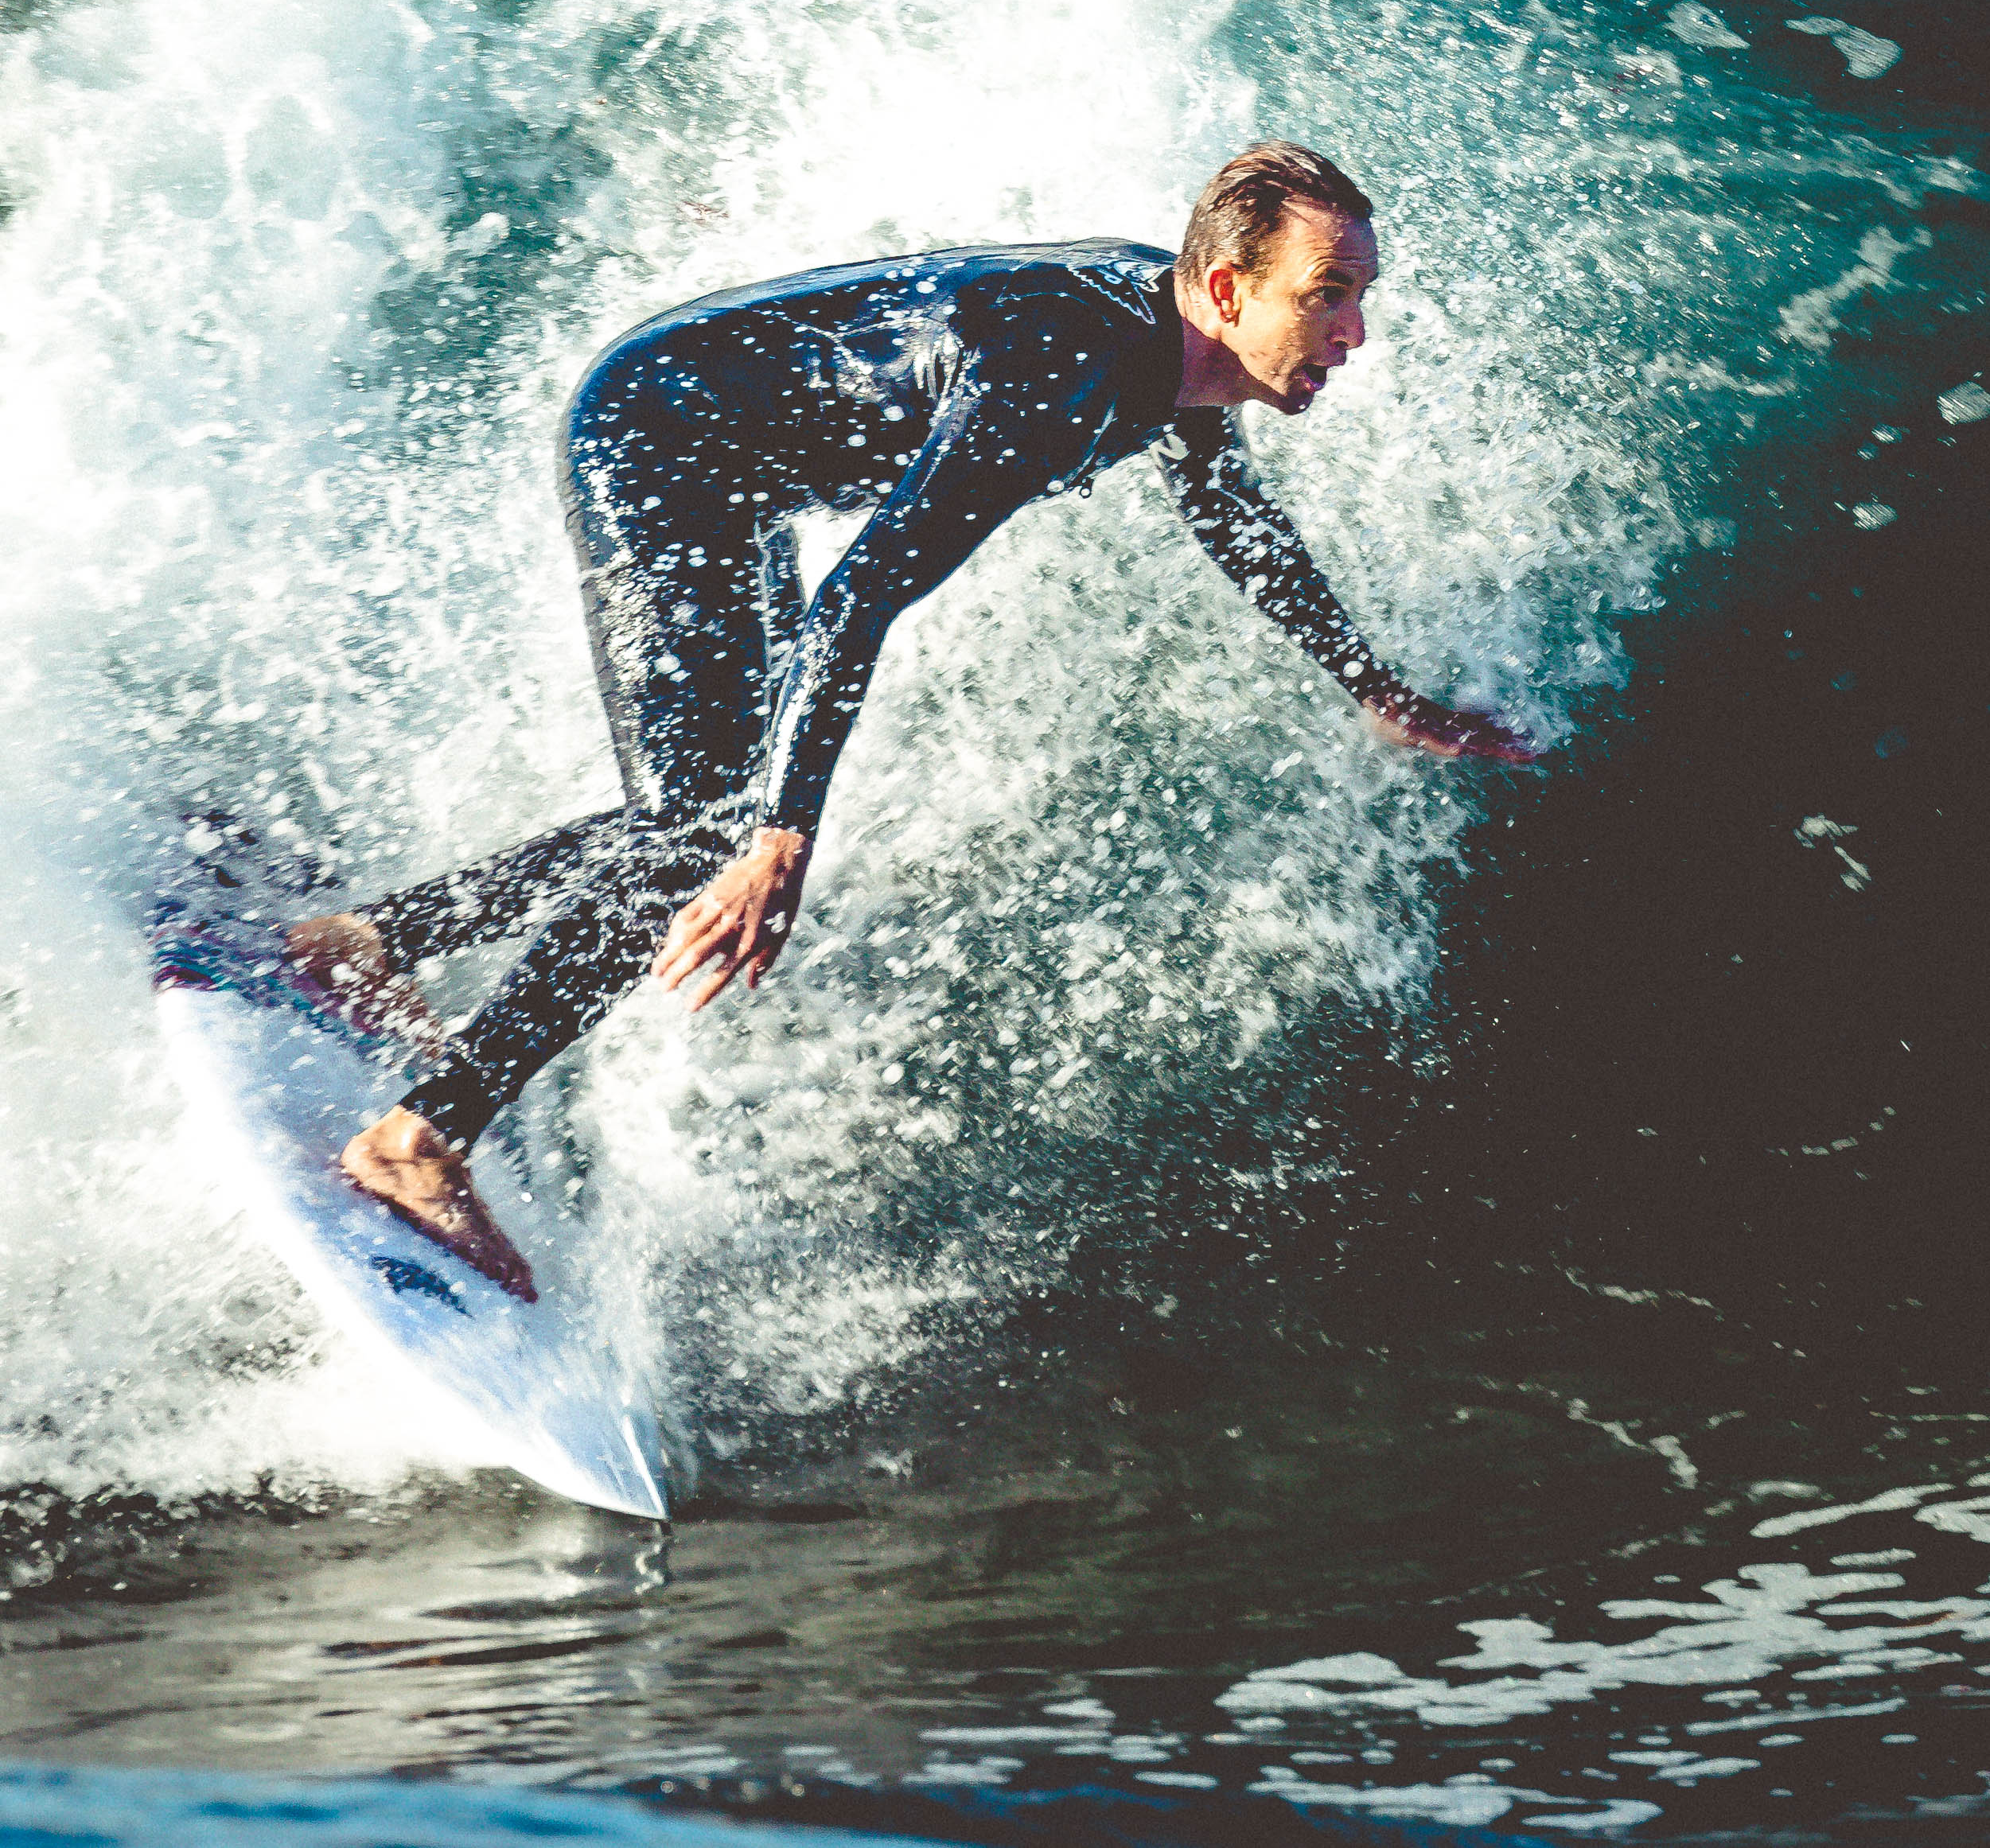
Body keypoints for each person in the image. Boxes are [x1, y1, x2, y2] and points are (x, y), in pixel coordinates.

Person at [287, 142, 1536, 1299]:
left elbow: (1233, 523)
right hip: (663, 439)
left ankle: (367, 942)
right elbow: (855, 602)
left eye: (1358, 296)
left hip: (729, 462)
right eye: (1328, 293)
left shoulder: (1177, 362)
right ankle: (415, 1139)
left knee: (695, 822)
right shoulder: (1065, 372)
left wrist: (1375, 688)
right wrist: (786, 835)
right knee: (706, 842)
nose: (1353, 331)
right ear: (1225, 286)